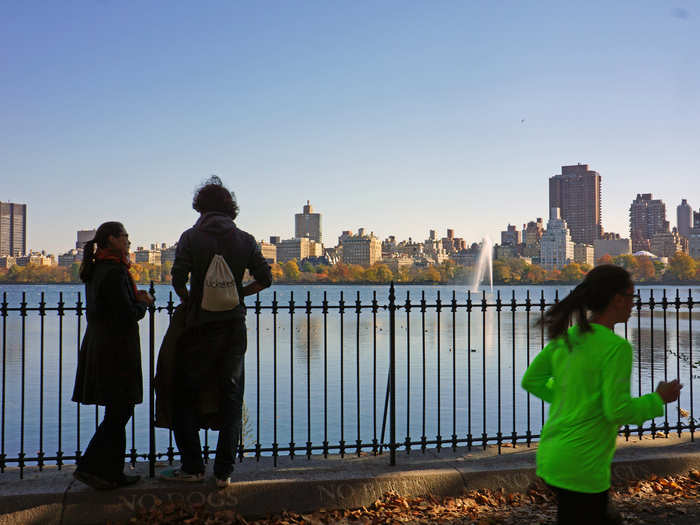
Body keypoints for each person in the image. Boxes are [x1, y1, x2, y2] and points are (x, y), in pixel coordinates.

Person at [521, 265, 683, 524]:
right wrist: (658, 399)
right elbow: (617, 411)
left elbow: (533, 380)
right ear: (618, 300)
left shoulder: (569, 337)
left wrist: (574, 398)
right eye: (632, 297)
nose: (633, 304)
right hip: (584, 464)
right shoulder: (616, 348)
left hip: (553, 455)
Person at [160, 176, 272, 487]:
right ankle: (223, 472)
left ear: (201, 208)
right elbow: (265, 279)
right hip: (233, 326)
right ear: (229, 208)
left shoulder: (190, 237)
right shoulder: (246, 240)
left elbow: (178, 279)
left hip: (198, 325)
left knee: (183, 393)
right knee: (232, 396)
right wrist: (237, 293)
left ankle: (193, 466)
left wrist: (194, 299)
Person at [72, 222, 154, 490]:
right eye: (125, 237)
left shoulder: (97, 269)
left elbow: (111, 306)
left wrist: (134, 299)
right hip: (116, 350)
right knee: (120, 410)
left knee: (117, 410)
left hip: (99, 345)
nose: (129, 241)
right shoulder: (115, 271)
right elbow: (126, 314)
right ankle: (97, 469)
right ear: (112, 239)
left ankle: (106, 470)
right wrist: (143, 302)